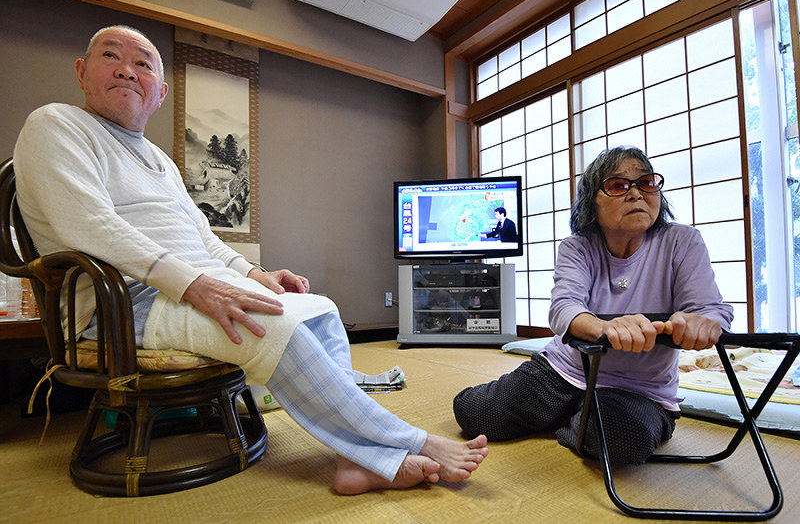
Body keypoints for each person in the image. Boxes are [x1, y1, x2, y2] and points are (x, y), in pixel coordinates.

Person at [13, 25, 488, 495]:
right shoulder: (56, 124)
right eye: (110, 56)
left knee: (320, 310)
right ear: (82, 71)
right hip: (120, 302)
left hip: (188, 284)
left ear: (159, 92)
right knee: (274, 328)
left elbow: (205, 240)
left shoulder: (159, 159)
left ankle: (354, 458)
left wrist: (256, 274)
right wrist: (196, 284)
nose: (126, 70)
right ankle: (412, 442)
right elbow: (90, 227)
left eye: (143, 64)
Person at [453, 146, 733, 466]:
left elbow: (710, 308)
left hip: (638, 390)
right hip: (565, 370)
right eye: (617, 185)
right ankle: (576, 412)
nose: (635, 194)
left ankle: (573, 419)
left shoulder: (683, 241)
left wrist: (704, 321)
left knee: (620, 441)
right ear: (592, 203)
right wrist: (605, 328)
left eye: (646, 182)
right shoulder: (578, 246)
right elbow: (564, 306)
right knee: (474, 414)